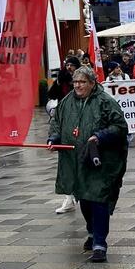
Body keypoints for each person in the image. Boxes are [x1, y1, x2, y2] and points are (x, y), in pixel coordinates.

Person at [47, 66, 129, 263]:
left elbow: (120, 127)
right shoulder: (67, 101)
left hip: (100, 160)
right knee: (84, 197)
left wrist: (99, 136)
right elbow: (56, 122)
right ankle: (92, 232)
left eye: (82, 82)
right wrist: (54, 138)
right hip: (76, 160)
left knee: (98, 197)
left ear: (92, 83)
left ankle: (100, 243)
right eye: (75, 82)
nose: (77, 85)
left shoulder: (105, 102)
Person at [47, 56, 80, 214]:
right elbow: (51, 95)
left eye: (72, 65)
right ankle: (69, 198)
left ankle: (83, 194)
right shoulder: (62, 79)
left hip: (80, 122)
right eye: (67, 65)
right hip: (65, 121)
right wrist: (59, 82)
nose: (69, 68)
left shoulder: (82, 80)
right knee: (66, 164)